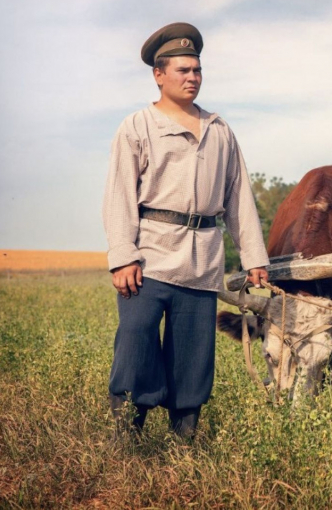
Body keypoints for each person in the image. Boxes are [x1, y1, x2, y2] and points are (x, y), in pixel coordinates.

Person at [103, 22, 269, 438]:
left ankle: (185, 436)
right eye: (183, 70)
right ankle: (128, 432)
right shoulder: (137, 126)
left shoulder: (219, 130)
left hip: (202, 258)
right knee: (137, 337)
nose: (192, 78)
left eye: (197, 70)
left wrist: (254, 258)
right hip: (149, 256)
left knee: (194, 353)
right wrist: (123, 255)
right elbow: (120, 194)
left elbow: (238, 198)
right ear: (158, 75)